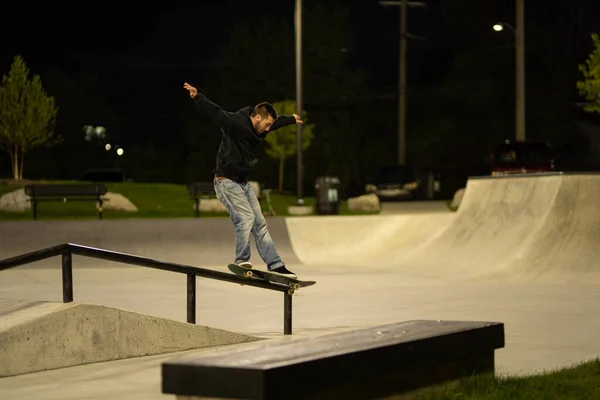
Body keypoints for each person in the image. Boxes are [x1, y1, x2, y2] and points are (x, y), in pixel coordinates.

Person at [183, 82, 302, 278]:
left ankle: (275, 265)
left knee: (260, 223)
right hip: (225, 182)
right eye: (266, 124)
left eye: (269, 126)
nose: (267, 130)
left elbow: (275, 123)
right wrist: (198, 97)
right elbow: (217, 113)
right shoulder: (236, 122)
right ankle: (241, 261)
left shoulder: (261, 127)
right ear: (256, 117)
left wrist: (290, 119)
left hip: (242, 182)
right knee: (246, 217)